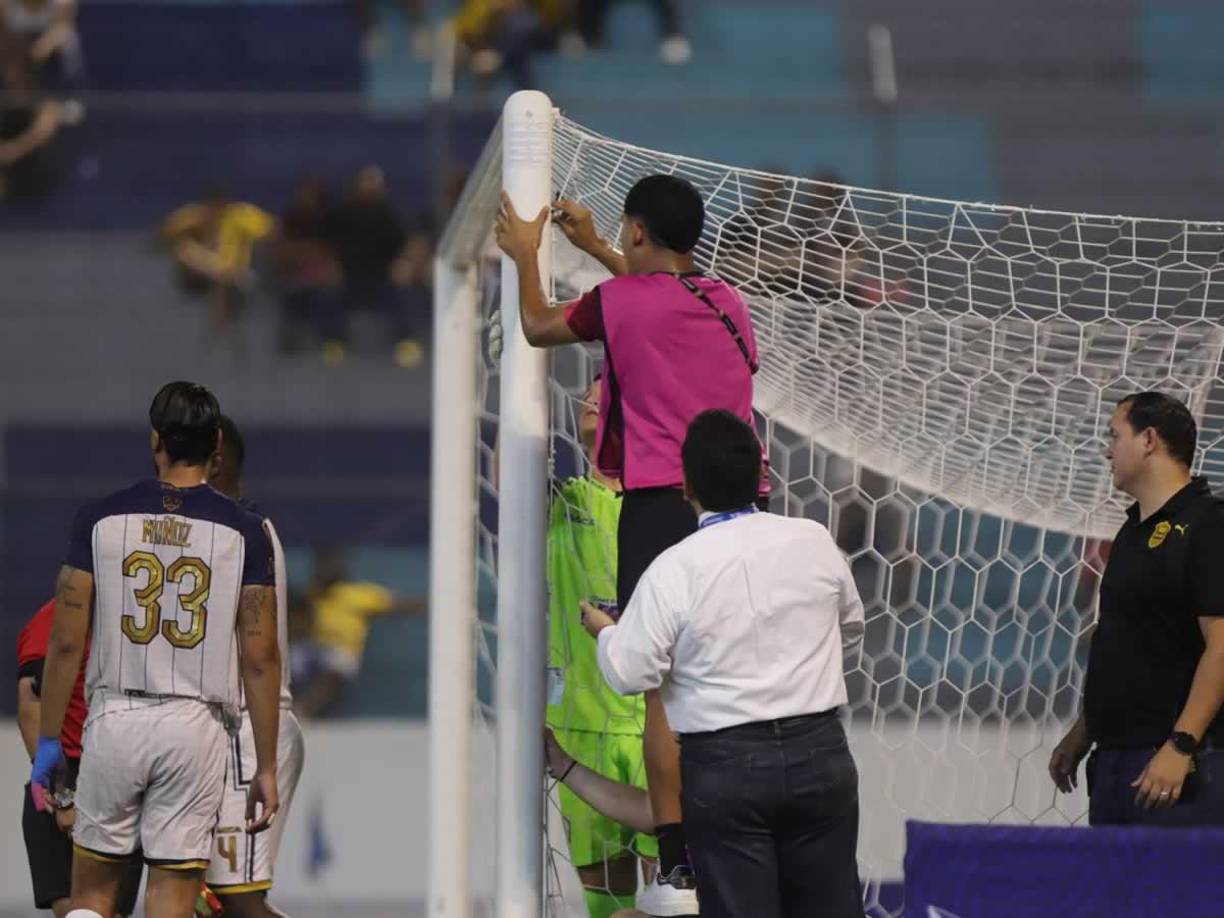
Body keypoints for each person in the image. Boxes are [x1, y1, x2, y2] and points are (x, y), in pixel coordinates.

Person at [497, 172, 766, 911]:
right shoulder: (729, 303)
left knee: (662, 691)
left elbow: (539, 324)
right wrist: (596, 249)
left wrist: (529, 252)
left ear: (638, 232)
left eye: (622, 233)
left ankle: (676, 857)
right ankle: (735, 833)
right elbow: (660, 310)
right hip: (746, 513)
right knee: (733, 680)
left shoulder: (620, 300)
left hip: (659, 508)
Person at [584, 410, 866, 918]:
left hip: (726, 765)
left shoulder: (674, 568)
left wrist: (607, 634)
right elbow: (850, 626)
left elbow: (630, 673)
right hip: (820, 750)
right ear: (763, 475)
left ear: (685, 484)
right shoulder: (813, 540)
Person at [30, 381, 282, 918]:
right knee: (170, 900)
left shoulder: (99, 519)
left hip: (116, 716)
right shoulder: (245, 532)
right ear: (217, 442)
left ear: (155, 439)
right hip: (195, 727)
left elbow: (67, 639)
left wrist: (50, 739)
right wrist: (265, 765)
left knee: (92, 897)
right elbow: (260, 659)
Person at [1049, 391, 1224, 825]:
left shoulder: (1208, 524)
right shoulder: (1131, 532)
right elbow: (1134, 644)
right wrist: (1084, 731)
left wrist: (1181, 746)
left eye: (1115, 435)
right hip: (1115, 761)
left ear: (1148, 440)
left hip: (1175, 768)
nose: (1107, 450)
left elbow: (1221, 646)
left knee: (1175, 893)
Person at [547, 377, 658, 918]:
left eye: (609, 390)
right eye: (590, 391)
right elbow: (501, 477)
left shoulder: (661, 506)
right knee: (607, 906)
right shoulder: (562, 501)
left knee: (673, 896)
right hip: (580, 723)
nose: (593, 397)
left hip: (655, 719)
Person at [205, 415, 306, 915]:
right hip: (213, 738)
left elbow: (259, 656)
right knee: (200, 898)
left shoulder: (243, 534)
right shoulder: (223, 531)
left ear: (214, 458)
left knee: (237, 900)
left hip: (249, 732)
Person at [18, 600, 143, 918]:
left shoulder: (132, 615)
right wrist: (64, 797)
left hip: (125, 781)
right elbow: (32, 709)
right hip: (68, 776)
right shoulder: (54, 620)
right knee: (79, 912)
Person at [324, 165, 424, 368]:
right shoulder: (343, 213)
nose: (368, 188)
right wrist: (332, 265)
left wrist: (404, 264)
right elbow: (327, 244)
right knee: (330, 295)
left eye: (373, 184)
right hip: (350, 275)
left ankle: (406, 344)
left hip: (384, 275)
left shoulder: (390, 214)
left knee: (402, 295)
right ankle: (335, 345)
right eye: (365, 183)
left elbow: (407, 244)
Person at [160, 190, 276, 333]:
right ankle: (224, 277)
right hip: (201, 275)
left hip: (234, 271)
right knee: (183, 248)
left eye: (220, 209)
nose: (215, 214)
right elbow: (164, 237)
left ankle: (223, 310)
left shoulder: (241, 216)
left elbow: (271, 230)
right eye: (212, 209)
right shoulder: (191, 217)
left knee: (223, 284)